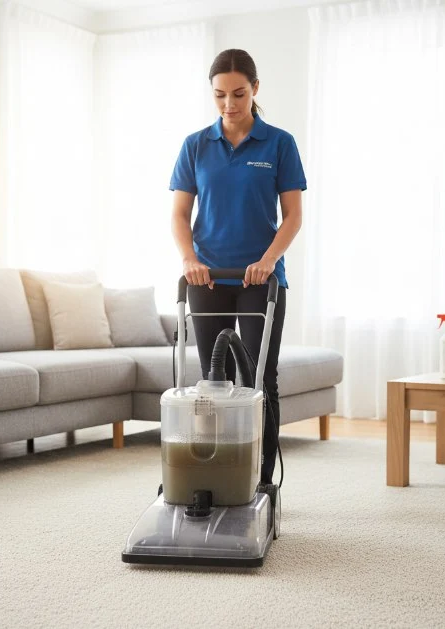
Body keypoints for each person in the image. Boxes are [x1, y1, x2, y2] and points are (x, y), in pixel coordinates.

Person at [169, 49, 306, 485]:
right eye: (220, 95)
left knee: (260, 376)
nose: (229, 104)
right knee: (213, 381)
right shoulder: (195, 145)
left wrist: (267, 262)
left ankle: (261, 477)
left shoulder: (279, 143)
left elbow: (293, 217)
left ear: (256, 90)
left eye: (239, 94)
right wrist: (189, 259)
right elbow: (179, 215)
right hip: (206, 279)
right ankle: (215, 471)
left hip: (260, 280)